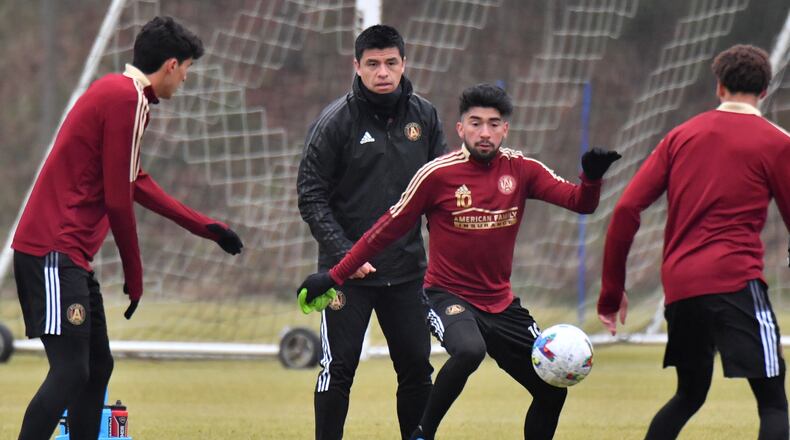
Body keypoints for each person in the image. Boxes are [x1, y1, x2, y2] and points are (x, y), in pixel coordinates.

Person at [298, 83, 620, 439]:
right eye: (476, 123)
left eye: (494, 123)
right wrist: (335, 275)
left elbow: (581, 203)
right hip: (447, 297)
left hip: (501, 303)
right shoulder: (437, 175)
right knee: (469, 350)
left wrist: (591, 178)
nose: (485, 132)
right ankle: (422, 433)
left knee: (550, 389)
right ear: (461, 128)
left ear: (505, 129)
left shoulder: (522, 169)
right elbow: (383, 231)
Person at [11, 16, 243, 440]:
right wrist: (135, 277)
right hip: (54, 251)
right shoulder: (128, 98)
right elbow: (119, 199)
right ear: (171, 64)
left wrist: (205, 227)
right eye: (187, 70)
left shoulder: (118, 93)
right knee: (69, 371)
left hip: (67, 255)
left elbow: (133, 181)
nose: (186, 81)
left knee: (97, 367)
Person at [597, 44, 790, 440]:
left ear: (718, 87)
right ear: (766, 90)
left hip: (681, 289)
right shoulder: (776, 142)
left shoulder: (680, 136)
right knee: (772, 402)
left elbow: (625, 211)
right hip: (736, 282)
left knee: (689, 394)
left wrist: (612, 292)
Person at [296, 24, 447, 440]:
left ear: (404, 64)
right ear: (357, 67)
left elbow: (443, 194)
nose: (383, 72)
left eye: (391, 63)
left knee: (416, 367)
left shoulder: (426, 116)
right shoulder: (334, 122)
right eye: (373, 64)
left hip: (407, 271)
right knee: (338, 368)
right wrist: (347, 255)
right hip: (347, 274)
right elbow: (310, 196)